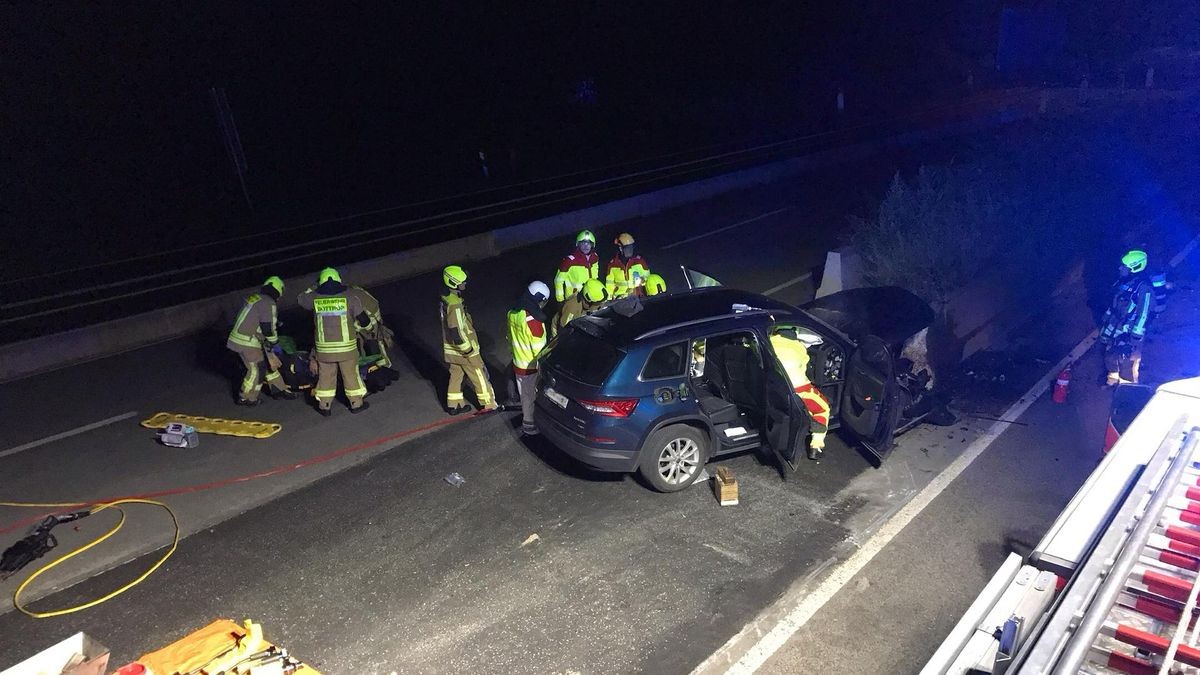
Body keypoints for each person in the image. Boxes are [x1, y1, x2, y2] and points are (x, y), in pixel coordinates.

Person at [297, 267, 372, 416]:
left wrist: (313, 286)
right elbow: (364, 320)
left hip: (324, 351)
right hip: (347, 349)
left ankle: (324, 406)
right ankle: (356, 404)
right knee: (351, 376)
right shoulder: (350, 297)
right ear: (339, 279)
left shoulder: (314, 298)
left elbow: (300, 298)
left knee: (326, 377)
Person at [226, 276, 295, 406]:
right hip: (248, 341)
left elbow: (254, 318)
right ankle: (246, 397)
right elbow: (267, 328)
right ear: (278, 291)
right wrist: (275, 344)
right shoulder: (269, 303)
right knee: (257, 369)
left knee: (268, 363)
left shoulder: (256, 298)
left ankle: (279, 389)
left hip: (243, 338)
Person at [440, 265, 497, 414]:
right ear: (454, 283)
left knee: (456, 375)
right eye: (462, 282)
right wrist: (468, 350)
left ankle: (454, 405)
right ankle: (488, 404)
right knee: (479, 375)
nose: (465, 284)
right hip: (464, 350)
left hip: (452, 351)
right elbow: (455, 330)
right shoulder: (456, 305)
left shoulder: (446, 300)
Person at [768, 326, 832, 460]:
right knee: (823, 408)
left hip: (775, 386)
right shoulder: (799, 347)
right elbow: (805, 368)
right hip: (799, 388)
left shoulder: (769, 342)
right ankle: (816, 445)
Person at [1100, 250, 1155, 385]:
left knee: (1128, 360)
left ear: (1134, 268)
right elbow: (1115, 301)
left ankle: (1127, 387)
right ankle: (1112, 378)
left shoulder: (1144, 288)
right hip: (1115, 325)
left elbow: (1143, 314)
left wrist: (1134, 338)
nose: (1120, 268)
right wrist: (1107, 317)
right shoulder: (1125, 281)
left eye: (1124, 267)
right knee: (1110, 353)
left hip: (1128, 330)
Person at [508, 281, 550, 435]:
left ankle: (527, 418)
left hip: (517, 362)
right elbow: (540, 351)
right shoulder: (534, 322)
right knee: (529, 397)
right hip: (530, 367)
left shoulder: (514, 313)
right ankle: (529, 425)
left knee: (524, 394)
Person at [348, 284, 395, 369]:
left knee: (373, 342)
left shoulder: (350, 296)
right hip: (369, 315)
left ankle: (380, 367)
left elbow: (363, 318)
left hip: (368, 317)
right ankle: (377, 366)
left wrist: (369, 328)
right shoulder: (353, 290)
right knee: (372, 341)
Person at [553, 230, 600, 302]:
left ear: (592, 245)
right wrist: (561, 301)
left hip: (591, 296)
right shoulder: (569, 261)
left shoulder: (595, 257)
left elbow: (595, 276)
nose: (586, 246)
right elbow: (558, 281)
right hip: (574, 299)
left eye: (588, 243)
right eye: (583, 243)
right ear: (578, 244)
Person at [604, 233, 650, 298]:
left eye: (631, 247)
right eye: (627, 248)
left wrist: (642, 280)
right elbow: (609, 286)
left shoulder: (639, 261)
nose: (630, 250)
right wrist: (609, 302)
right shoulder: (613, 265)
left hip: (638, 297)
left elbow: (648, 278)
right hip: (620, 300)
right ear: (620, 248)